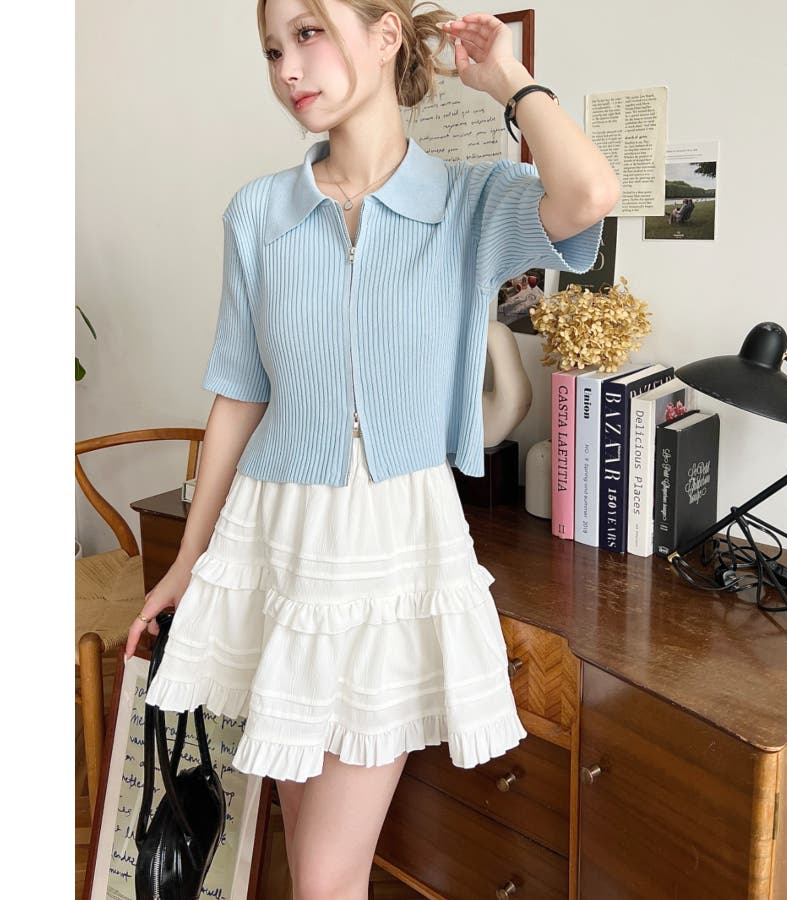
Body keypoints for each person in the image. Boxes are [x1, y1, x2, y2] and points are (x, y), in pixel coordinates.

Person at [124, 2, 620, 897]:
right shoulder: (258, 212)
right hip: (273, 543)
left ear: (388, 35)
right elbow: (238, 394)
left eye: (309, 33)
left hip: (390, 547)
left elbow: (590, 195)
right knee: (314, 860)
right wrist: (187, 563)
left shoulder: (470, 201)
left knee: (324, 875)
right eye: (273, 47)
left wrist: (510, 82)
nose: (287, 67)